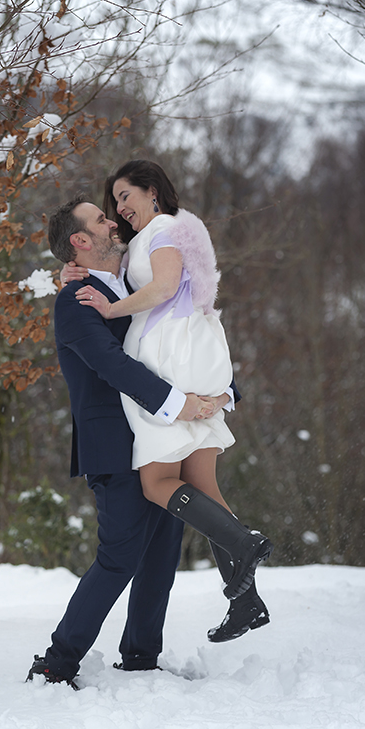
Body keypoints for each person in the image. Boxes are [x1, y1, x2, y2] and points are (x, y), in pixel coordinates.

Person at [64, 160, 271, 644]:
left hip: (169, 361)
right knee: (203, 486)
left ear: (152, 191)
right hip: (190, 355)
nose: (120, 208)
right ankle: (244, 601)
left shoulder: (165, 228)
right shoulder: (166, 231)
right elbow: (123, 267)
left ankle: (246, 543)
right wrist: (72, 268)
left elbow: (159, 287)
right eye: (113, 202)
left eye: (125, 195)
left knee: (157, 482)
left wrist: (111, 307)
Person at [27, 195, 226, 689]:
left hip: (160, 442)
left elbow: (187, 338)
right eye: (101, 219)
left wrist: (224, 391)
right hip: (116, 446)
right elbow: (112, 365)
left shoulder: (139, 285)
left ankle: (141, 656)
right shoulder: (74, 300)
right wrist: (177, 403)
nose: (113, 222)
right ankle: (56, 663)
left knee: (161, 556)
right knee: (119, 556)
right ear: (80, 242)